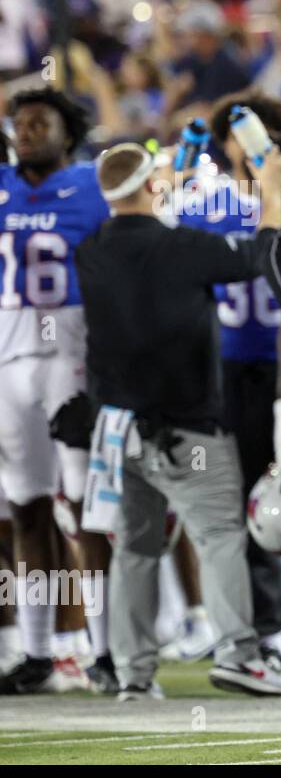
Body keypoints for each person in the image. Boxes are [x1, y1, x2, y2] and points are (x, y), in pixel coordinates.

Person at [75, 141, 281, 699]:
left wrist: (161, 188)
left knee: (135, 547)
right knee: (220, 535)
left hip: (117, 428)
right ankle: (240, 656)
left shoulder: (92, 249)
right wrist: (269, 191)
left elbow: (148, 240)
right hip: (187, 425)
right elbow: (258, 254)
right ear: (151, 187)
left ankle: (132, 674)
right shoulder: (179, 248)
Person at [0, 88, 110, 696]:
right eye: (19, 124)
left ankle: (105, 648)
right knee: (27, 509)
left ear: (67, 133)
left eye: (39, 123)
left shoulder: (93, 186)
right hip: (9, 356)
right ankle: (38, 651)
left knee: (84, 508)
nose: (25, 133)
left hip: (71, 355)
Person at [185, 91, 281, 672]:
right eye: (241, 133)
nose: (249, 143)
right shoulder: (206, 202)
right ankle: (263, 632)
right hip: (227, 367)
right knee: (243, 502)